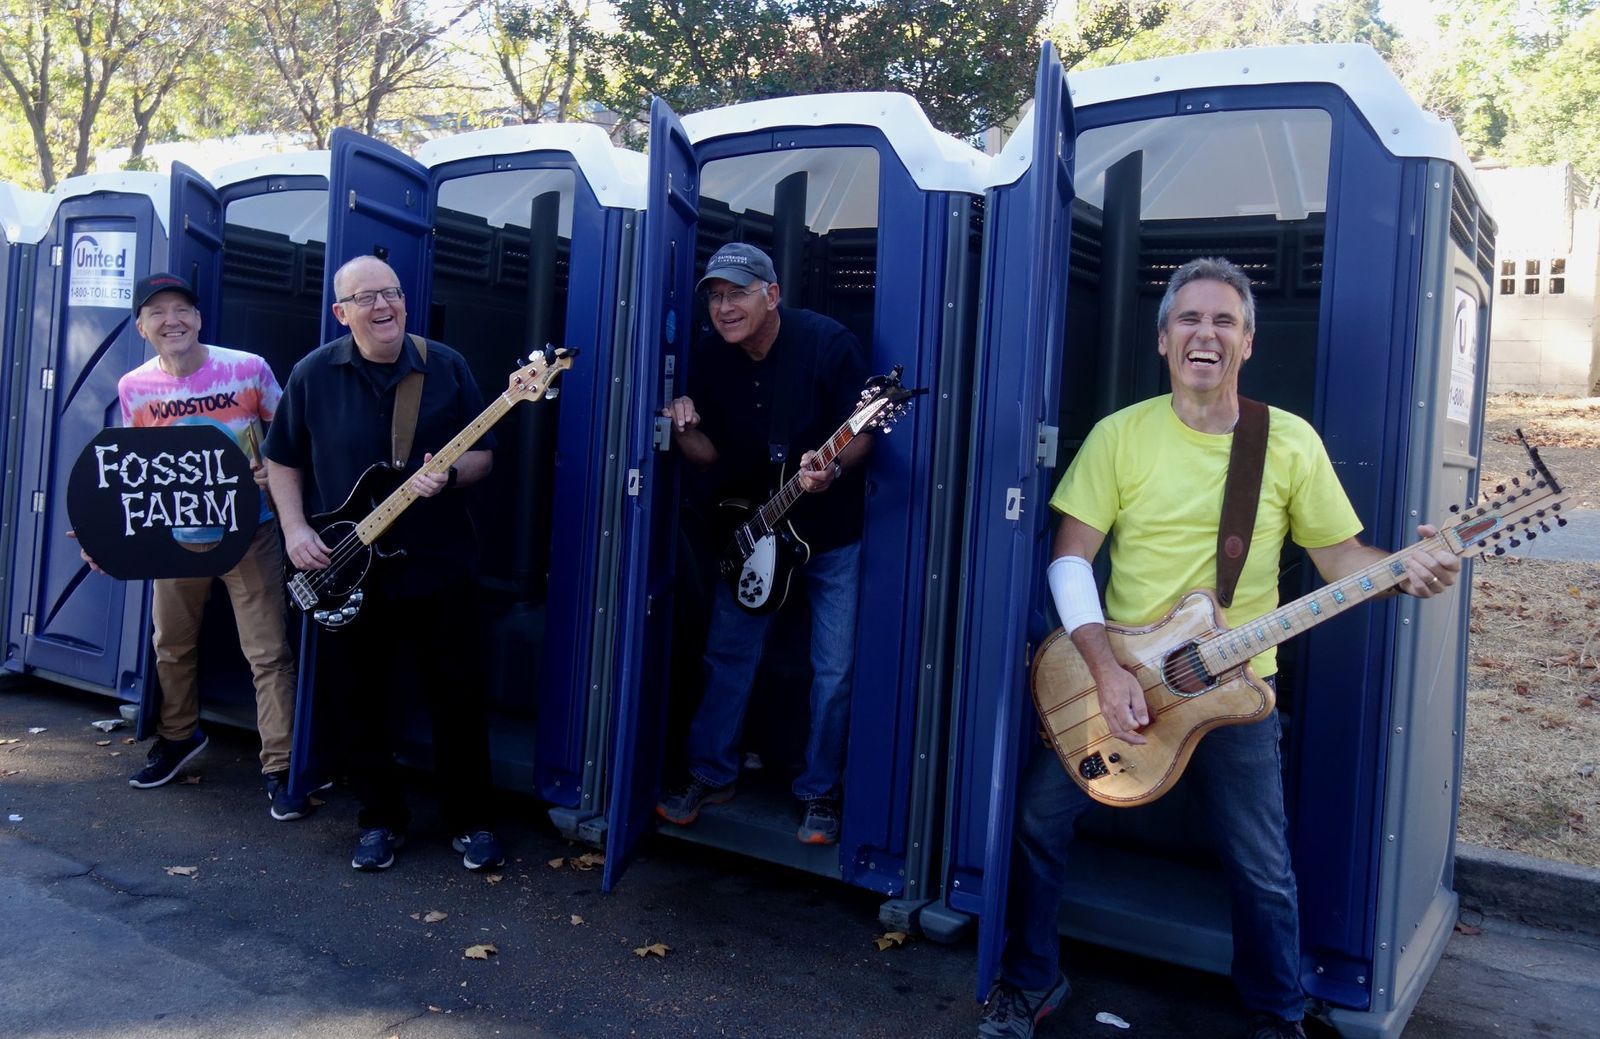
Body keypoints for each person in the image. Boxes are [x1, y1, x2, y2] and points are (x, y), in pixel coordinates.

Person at [978, 257, 1461, 1039]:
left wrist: (1408, 571)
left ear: (1248, 342)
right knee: (1037, 819)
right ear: (1163, 338)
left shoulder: (1289, 442)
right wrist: (1105, 671)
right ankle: (1030, 979)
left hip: (1237, 694)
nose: (1206, 334)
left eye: (1225, 321)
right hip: (1123, 684)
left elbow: (1342, 560)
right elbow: (1070, 557)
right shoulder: (1119, 435)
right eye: (1190, 319)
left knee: (1263, 868)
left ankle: (1277, 1013)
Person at [263, 255, 504, 873]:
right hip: (347, 567)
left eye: (391, 293)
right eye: (366, 297)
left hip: (438, 564)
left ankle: (471, 820)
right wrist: (294, 529)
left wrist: (449, 474)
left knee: (457, 696)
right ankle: (379, 820)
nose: (383, 306)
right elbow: (282, 458)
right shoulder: (313, 374)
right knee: (359, 700)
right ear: (341, 313)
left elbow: (484, 457)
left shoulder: (444, 365)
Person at [655, 243, 872, 846]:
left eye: (737, 294)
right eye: (716, 297)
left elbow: (861, 433)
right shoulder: (709, 356)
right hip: (751, 528)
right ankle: (710, 773)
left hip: (828, 535)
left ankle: (820, 791)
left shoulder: (827, 343)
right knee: (727, 655)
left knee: (834, 669)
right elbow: (707, 459)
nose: (724, 308)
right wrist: (683, 428)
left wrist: (831, 468)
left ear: (772, 295)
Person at [78, 273, 303, 818]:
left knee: (268, 652)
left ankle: (282, 765)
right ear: (141, 328)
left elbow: (290, 439)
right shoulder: (134, 387)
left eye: (181, 309)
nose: (171, 320)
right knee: (170, 644)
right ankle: (179, 737)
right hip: (176, 537)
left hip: (250, 530)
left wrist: (268, 472)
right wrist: (103, 535)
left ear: (199, 319)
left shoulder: (247, 369)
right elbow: (134, 471)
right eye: (157, 312)